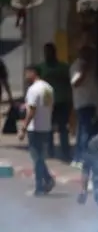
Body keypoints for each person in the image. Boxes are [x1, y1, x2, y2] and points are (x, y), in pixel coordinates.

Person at [18, 65, 55, 195]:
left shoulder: (33, 89)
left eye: (27, 73)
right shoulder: (48, 88)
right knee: (39, 157)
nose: (25, 77)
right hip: (46, 126)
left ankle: (40, 187)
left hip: (35, 128)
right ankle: (48, 180)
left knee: (37, 158)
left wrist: (23, 128)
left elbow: (32, 110)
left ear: (33, 73)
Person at [70, 45, 98, 168]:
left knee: (83, 132)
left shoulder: (87, 66)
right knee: (85, 132)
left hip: (90, 102)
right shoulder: (78, 66)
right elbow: (76, 83)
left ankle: (79, 157)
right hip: (84, 103)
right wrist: (84, 71)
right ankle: (83, 158)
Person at [37, 43, 72, 161]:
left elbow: (70, 83)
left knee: (63, 128)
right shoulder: (41, 68)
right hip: (47, 102)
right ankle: (49, 151)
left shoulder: (63, 67)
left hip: (62, 101)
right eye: (46, 52)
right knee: (48, 128)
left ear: (55, 52)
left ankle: (65, 152)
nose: (48, 54)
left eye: (50, 52)